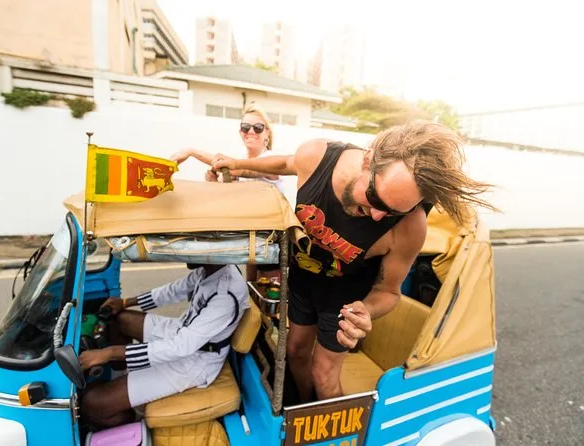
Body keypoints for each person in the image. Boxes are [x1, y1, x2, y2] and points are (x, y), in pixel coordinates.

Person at [213, 120, 498, 402]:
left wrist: (366, 310)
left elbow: (389, 292)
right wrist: (235, 165)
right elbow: (285, 163)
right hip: (302, 281)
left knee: (324, 374)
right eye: (375, 197)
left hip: (345, 300)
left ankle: (332, 424)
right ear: (368, 160)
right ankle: (304, 406)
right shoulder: (317, 157)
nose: (377, 216)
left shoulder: (410, 227)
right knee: (295, 352)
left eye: (393, 212)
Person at [77, 263, 249, 428]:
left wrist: (110, 353)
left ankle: (134, 418)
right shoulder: (210, 269)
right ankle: (121, 381)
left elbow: (181, 347)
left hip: (193, 362)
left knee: (91, 404)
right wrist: (125, 302)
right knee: (119, 320)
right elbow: (174, 290)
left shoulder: (225, 295)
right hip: (181, 331)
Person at [170, 103, 286, 194]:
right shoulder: (240, 160)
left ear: (267, 133)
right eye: (245, 127)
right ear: (240, 132)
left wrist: (192, 152)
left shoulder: (270, 158)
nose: (251, 131)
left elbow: (243, 168)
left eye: (258, 127)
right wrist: (216, 182)